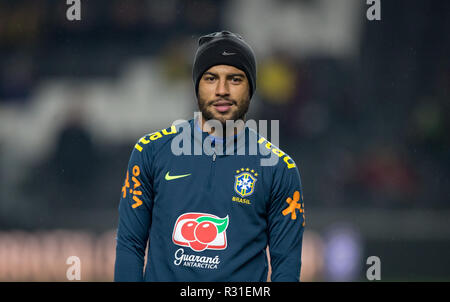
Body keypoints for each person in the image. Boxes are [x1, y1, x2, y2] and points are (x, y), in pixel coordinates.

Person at [114, 31, 305, 282]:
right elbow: (130, 244)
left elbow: (286, 264)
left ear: (251, 88)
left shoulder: (279, 168)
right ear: (196, 86)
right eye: (211, 78)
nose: (222, 90)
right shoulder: (150, 152)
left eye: (235, 79)